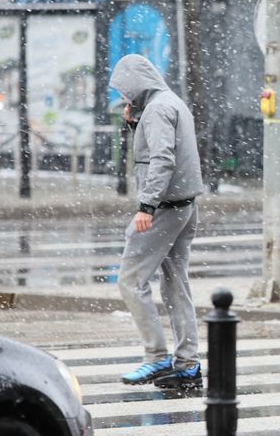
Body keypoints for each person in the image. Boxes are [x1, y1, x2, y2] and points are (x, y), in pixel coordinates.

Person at [110, 54, 205, 389]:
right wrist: (136, 123)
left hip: (164, 207)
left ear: (136, 83)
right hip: (185, 204)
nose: (123, 97)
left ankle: (156, 357)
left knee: (130, 280)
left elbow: (162, 159)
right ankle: (187, 365)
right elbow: (167, 148)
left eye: (124, 90)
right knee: (176, 284)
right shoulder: (170, 103)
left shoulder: (157, 109)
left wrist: (146, 207)